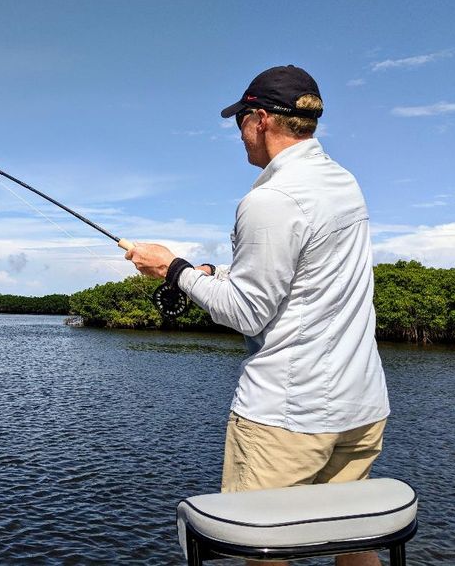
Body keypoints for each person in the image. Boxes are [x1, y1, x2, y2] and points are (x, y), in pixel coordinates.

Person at [125, 65, 390, 566]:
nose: (238, 133)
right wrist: (216, 272)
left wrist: (173, 269)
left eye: (239, 121)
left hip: (288, 417)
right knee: (355, 542)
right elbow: (303, 276)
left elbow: (246, 313)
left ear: (261, 119)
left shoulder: (269, 199)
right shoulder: (341, 181)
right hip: (361, 407)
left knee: (262, 552)